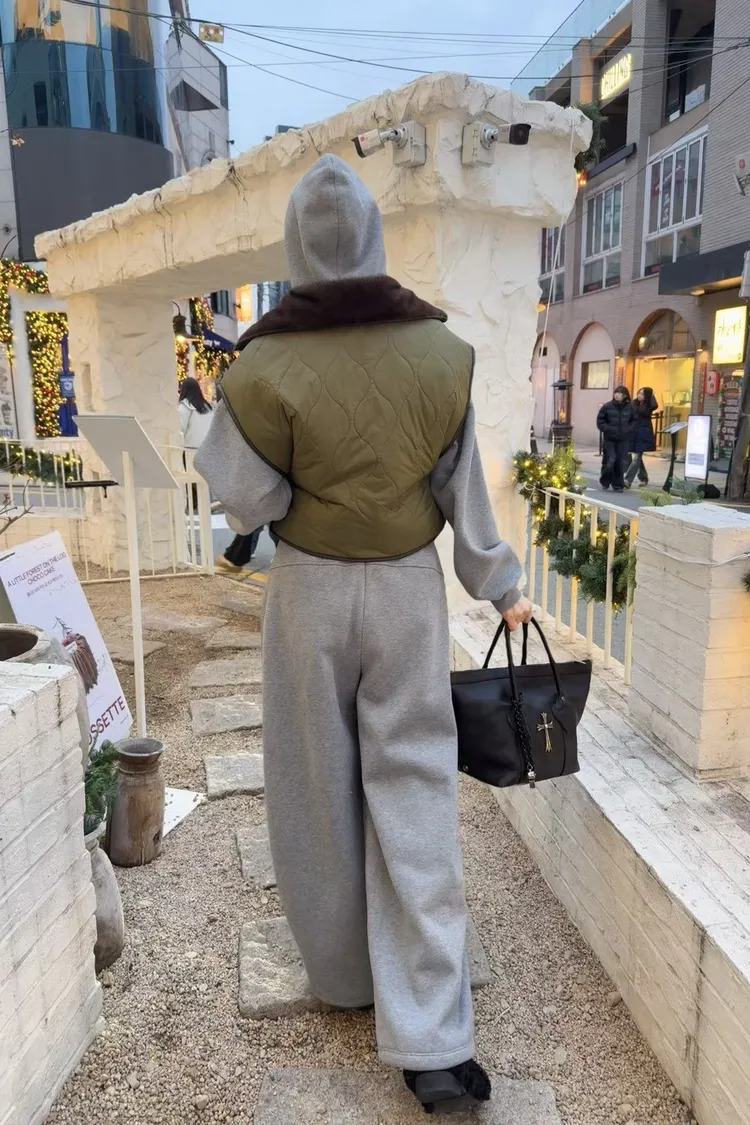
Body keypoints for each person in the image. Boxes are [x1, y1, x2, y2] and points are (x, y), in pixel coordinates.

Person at [195, 154, 531, 1116]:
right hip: (406, 594)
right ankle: (433, 1039)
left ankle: (345, 977)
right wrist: (501, 585)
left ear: (297, 248)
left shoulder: (260, 367)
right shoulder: (443, 353)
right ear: (375, 237)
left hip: (308, 592)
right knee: (415, 789)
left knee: (314, 788)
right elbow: (464, 498)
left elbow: (247, 500)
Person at [596, 385, 634, 492]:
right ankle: (605, 480)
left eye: (620, 393)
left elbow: (634, 421)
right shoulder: (607, 406)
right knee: (610, 460)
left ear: (625, 395)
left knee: (620, 462)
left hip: (623, 439)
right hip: (609, 438)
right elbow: (600, 421)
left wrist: (628, 429)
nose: (617, 395)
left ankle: (618, 485)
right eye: (616, 393)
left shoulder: (630, 407)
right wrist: (608, 429)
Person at [625, 386, 658, 488]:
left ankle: (627, 480)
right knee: (637, 458)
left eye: (642, 394)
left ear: (647, 396)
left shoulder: (648, 406)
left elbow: (654, 405)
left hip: (643, 434)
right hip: (634, 433)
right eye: (639, 393)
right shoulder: (634, 404)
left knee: (637, 457)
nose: (639, 395)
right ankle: (643, 478)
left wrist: (652, 395)